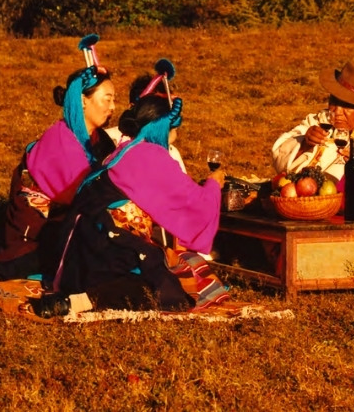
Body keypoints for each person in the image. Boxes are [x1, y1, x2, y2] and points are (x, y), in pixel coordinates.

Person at [29, 64, 226, 319]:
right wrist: (213, 185)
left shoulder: (127, 149)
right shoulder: (150, 156)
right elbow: (194, 205)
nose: (176, 134)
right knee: (164, 288)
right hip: (101, 243)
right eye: (174, 128)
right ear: (162, 127)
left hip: (78, 246)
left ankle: (73, 299)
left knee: (169, 268)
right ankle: (74, 302)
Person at [0, 36, 117, 280]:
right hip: (35, 233)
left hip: (69, 220)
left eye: (114, 99)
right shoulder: (59, 142)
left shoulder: (100, 139)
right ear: (83, 101)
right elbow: (85, 195)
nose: (113, 107)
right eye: (107, 99)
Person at [271, 59, 354, 180]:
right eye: (334, 102)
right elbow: (279, 156)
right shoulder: (319, 120)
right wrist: (304, 144)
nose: (336, 112)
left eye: (347, 106)